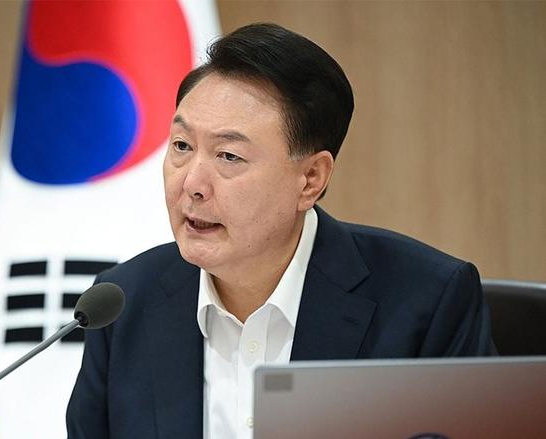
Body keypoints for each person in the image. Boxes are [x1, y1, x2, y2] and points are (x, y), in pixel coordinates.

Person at [66, 23, 495, 439]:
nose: (192, 183)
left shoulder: (426, 303)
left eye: (229, 156)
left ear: (310, 179)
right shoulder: (123, 304)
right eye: (182, 146)